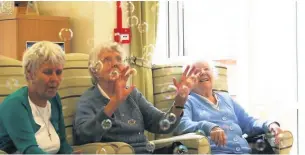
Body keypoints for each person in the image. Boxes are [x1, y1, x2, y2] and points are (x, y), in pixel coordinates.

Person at [73, 42, 200, 154]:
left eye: (119, 59)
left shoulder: (132, 94)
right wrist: (114, 102)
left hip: (146, 151)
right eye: (107, 59)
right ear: (95, 71)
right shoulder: (89, 99)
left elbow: (161, 124)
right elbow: (84, 136)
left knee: (179, 148)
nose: (115, 63)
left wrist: (180, 101)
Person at [174, 59, 284, 154]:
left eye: (206, 69)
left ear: (213, 74)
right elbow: (182, 125)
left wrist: (269, 124)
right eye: (197, 71)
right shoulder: (185, 101)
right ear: (188, 80)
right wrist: (208, 126)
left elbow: (248, 122)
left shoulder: (226, 98)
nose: (203, 72)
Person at [0, 41, 73, 154]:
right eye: (48, 72)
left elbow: (63, 144)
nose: (55, 79)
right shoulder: (14, 104)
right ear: (30, 74)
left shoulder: (54, 99)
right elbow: (30, 150)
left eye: (58, 72)